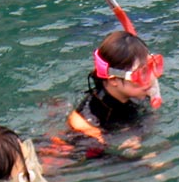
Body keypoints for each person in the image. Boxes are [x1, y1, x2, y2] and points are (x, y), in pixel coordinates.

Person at [62, 30, 164, 159]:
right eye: (140, 74)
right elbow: (99, 160)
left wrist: (137, 135)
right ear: (113, 80)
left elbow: (147, 117)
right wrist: (143, 163)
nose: (150, 78)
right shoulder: (88, 123)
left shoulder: (136, 94)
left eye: (151, 67)